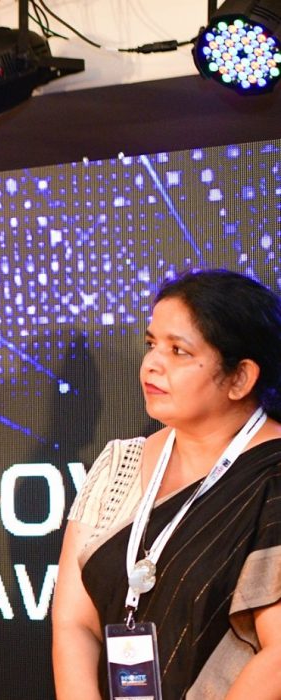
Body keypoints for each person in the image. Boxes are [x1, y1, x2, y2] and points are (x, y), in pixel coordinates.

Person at [52, 269, 281, 698]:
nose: (152, 364)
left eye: (178, 350)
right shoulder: (119, 463)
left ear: (240, 378)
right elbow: (74, 622)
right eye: (151, 344)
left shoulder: (272, 475)